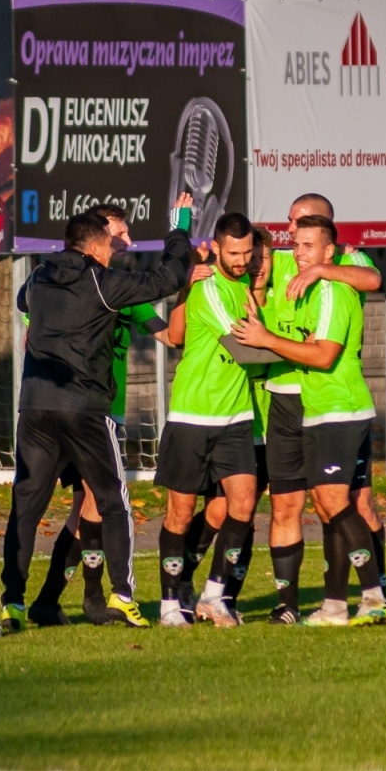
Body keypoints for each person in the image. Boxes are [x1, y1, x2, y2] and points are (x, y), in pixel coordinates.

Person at [0, 195, 195, 630]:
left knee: (26, 508)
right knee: (114, 502)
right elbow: (169, 275)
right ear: (93, 246)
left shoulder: (36, 280)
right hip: (86, 410)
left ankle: (14, 602)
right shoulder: (104, 285)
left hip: (34, 407)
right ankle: (122, 596)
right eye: (112, 240)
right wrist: (180, 228)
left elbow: (23, 304)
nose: (116, 246)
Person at [233, 214, 386, 626]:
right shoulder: (305, 281)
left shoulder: (334, 289)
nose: (298, 253)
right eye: (296, 244)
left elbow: (324, 355)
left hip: (339, 408)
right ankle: (334, 606)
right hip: (319, 410)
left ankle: (375, 596)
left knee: (338, 505)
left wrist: (268, 340)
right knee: (325, 503)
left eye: (307, 245)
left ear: (329, 250)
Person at [154, 212, 263, 629]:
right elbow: (249, 345)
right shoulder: (209, 289)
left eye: (247, 252)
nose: (242, 260)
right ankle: (169, 602)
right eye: (234, 253)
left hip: (236, 417)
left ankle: (214, 595)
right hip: (192, 417)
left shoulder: (242, 286)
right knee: (180, 514)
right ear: (216, 248)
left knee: (242, 504)